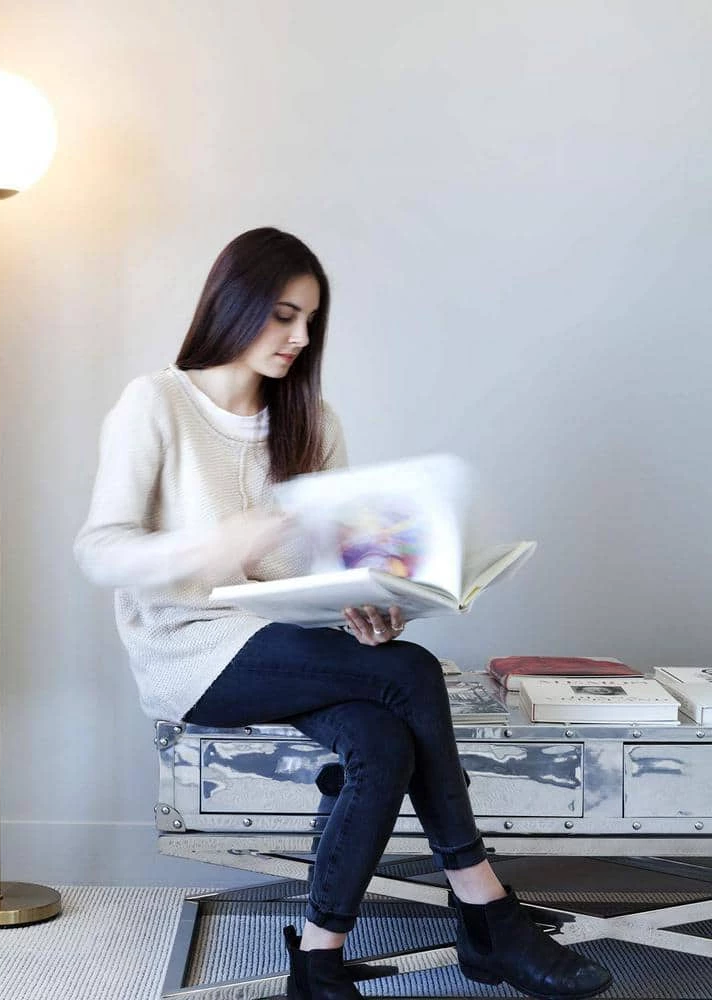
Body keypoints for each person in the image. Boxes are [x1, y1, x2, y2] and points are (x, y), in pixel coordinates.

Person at [74, 228, 612, 1000]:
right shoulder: (155, 403)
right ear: (234, 304)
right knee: (411, 675)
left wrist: (372, 608)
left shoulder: (313, 422)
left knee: (383, 741)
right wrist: (221, 544)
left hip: (292, 646)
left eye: (310, 321)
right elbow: (101, 550)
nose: (298, 337)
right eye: (282, 316)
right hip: (190, 651)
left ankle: (318, 963)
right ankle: (487, 912)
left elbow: (331, 570)